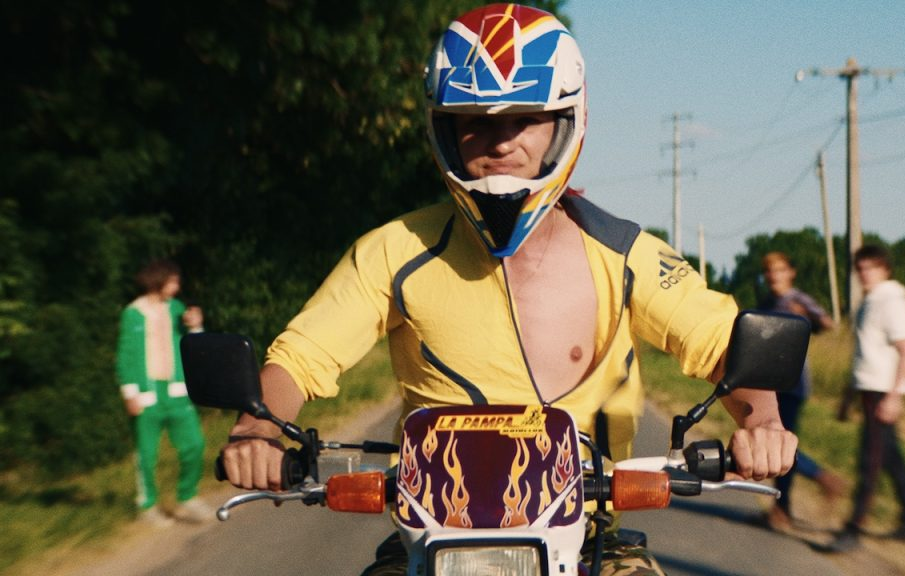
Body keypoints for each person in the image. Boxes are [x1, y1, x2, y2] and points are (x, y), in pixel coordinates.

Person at [220, 4, 797, 574]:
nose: (503, 142)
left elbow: (722, 343)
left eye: (524, 119)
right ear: (443, 128)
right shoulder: (392, 251)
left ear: (566, 122)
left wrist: (762, 425)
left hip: (592, 530)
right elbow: (301, 357)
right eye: (478, 122)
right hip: (429, 534)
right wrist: (258, 429)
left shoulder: (626, 256)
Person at [828, 245, 905, 552]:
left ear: (885, 268)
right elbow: (863, 355)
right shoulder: (869, 303)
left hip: (884, 393)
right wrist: (847, 397)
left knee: (870, 462)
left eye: (870, 267)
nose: (863, 274)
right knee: (891, 458)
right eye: (860, 268)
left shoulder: (894, 302)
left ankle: (854, 527)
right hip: (868, 392)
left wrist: (894, 397)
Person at [116, 259, 212, 526]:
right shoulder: (133, 313)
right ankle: (146, 507)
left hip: (176, 391)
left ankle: (187, 499)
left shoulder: (176, 308)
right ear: (158, 281)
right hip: (147, 395)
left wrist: (196, 326)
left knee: (194, 445)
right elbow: (125, 355)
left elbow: (193, 345)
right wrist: (130, 393)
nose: (177, 286)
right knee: (147, 454)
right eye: (173, 281)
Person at [756, 252, 846, 532]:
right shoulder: (768, 302)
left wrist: (805, 318)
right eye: (770, 270)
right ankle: (781, 510)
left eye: (780, 270)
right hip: (771, 382)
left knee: (782, 445)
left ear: (791, 272)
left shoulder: (797, 298)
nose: (775, 275)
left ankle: (821, 479)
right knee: (777, 443)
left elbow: (827, 322)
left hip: (793, 384)